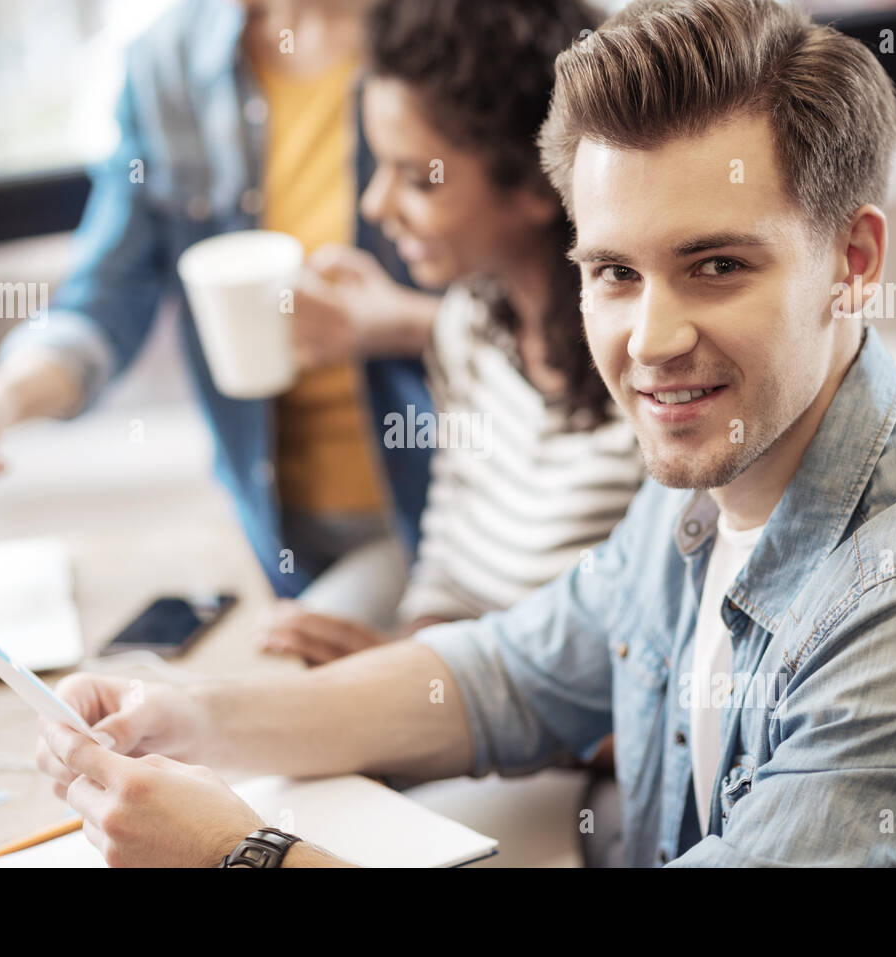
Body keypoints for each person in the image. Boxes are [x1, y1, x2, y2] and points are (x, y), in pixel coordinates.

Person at [36, 0, 896, 867]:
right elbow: (510, 674)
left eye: (717, 266)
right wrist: (189, 717)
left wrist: (240, 855)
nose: (651, 340)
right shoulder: (710, 463)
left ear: (853, 262)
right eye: (614, 274)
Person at [0, 0, 443, 613]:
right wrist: (0, 398)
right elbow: (107, 296)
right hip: (270, 527)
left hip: (438, 509)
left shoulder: (446, 38)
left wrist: (398, 326)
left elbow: (542, 309)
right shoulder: (170, 61)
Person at [253, 0, 645, 668]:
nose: (375, 207)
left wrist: (422, 686)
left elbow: (636, 692)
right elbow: (447, 572)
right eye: (379, 168)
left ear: (536, 182)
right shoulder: (466, 325)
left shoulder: (650, 379)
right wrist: (401, 658)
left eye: (416, 178)